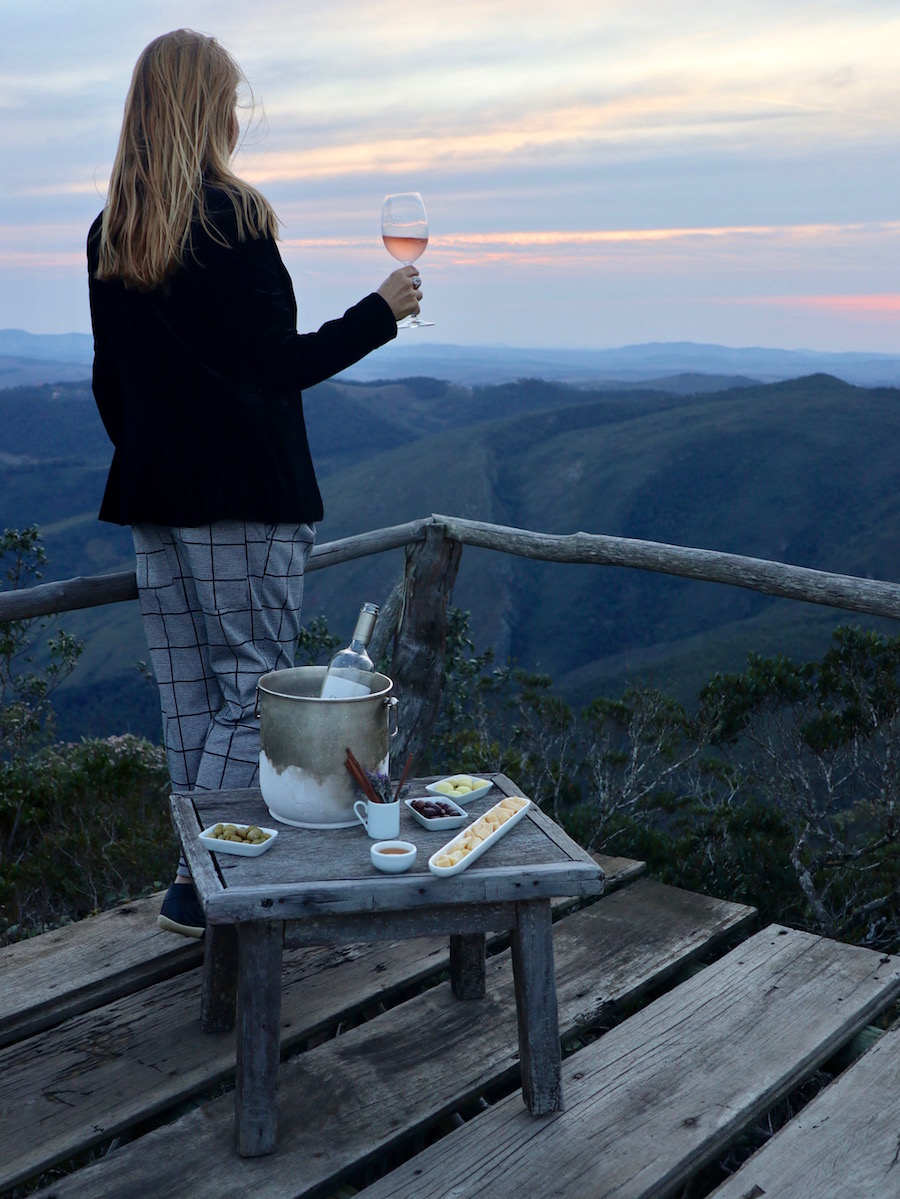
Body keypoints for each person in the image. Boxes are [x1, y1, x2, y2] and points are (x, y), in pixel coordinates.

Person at [87, 29, 423, 937]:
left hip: (154, 499)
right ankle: (213, 884)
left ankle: (192, 883)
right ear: (206, 108)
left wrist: (162, 454)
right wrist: (379, 312)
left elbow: (111, 385)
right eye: (230, 99)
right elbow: (279, 365)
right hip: (245, 498)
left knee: (188, 698)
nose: (238, 115)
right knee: (250, 692)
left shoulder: (112, 230)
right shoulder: (233, 220)